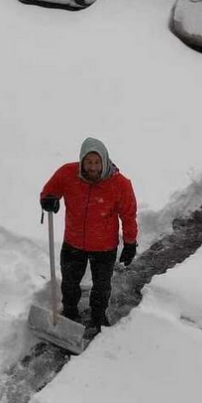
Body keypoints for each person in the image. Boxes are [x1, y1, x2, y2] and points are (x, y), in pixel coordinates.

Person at [39, 137, 137, 332]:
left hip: (104, 246)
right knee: (69, 283)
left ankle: (98, 317)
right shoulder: (68, 173)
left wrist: (130, 243)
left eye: (97, 162)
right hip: (73, 242)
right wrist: (48, 200)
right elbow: (49, 191)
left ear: (105, 161)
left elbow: (128, 215)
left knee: (101, 286)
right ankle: (70, 313)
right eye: (88, 162)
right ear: (82, 161)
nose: (92, 167)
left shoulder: (120, 184)